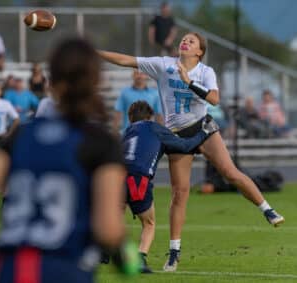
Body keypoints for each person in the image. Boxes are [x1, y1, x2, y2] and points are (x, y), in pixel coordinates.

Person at [97, 32, 285, 272]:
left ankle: (267, 210)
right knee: (180, 192)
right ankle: (174, 252)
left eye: (192, 41)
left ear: (199, 52)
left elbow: (215, 100)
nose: (185, 41)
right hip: (177, 134)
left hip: (203, 127)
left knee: (230, 172)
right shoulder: (164, 65)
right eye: (184, 39)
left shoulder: (205, 72)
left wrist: (189, 82)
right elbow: (126, 60)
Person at [0, 37, 140, 283]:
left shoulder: (22, 134)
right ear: (95, 80)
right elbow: (108, 230)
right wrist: (126, 257)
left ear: (52, 81)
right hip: (63, 269)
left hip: (9, 269)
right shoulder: (100, 142)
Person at [124, 100, 218, 273]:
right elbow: (184, 146)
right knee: (149, 223)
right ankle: (139, 259)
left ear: (130, 118)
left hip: (117, 177)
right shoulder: (154, 128)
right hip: (139, 179)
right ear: (150, 117)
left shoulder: (127, 131)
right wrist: (204, 132)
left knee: (114, 217)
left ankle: (104, 251)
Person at [113, 69, 163, 133]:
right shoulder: (124, 93)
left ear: (147, 75)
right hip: (128, 133)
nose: (139, 76)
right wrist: (115, 132)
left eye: (142, 73)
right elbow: (118, 114)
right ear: (133, 75)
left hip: (148, 134)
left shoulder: (155, 94)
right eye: (136, 73)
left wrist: (161, 134)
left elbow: (159, 116)